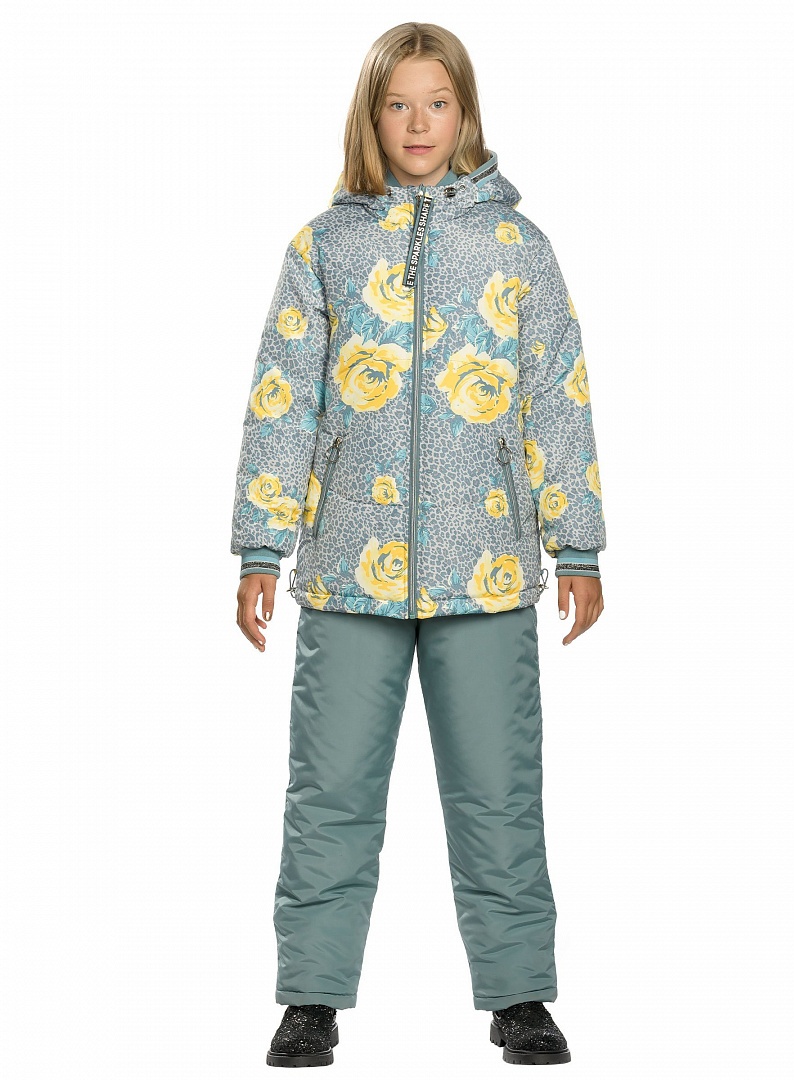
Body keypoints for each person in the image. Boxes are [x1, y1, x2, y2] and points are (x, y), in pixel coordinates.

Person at [231, 21, 606, 1068]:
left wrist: (577, 546)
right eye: (397, 103)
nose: (418, 123)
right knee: (329, 792)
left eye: (437, 102)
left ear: (466, 112)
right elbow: (282, 402)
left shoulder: (519, 249)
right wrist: (261, 548)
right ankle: (312, 998)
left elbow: (558, 398)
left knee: (498, 791)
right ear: (372, 115)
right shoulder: (324, 248)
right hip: (345, 573)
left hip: (486, 567)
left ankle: (519, 996)